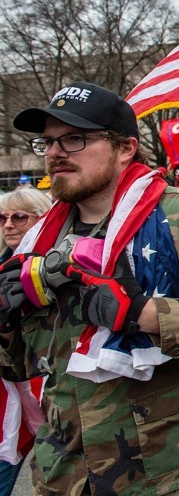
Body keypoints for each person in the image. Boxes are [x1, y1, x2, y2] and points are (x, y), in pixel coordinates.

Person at [0, 81, 179, 495]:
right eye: (48, 142)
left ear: (125, 148)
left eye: (74, 139)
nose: (55, 153)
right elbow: (22, 365)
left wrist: (144, 315)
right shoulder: (38, 241)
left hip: (174, 468)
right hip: (66, 473)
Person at [0, 188, 51, 496]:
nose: (8, 224)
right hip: (11, 406)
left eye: (19, 217)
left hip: (56, 402)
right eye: (3, 217)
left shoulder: (59, 267)